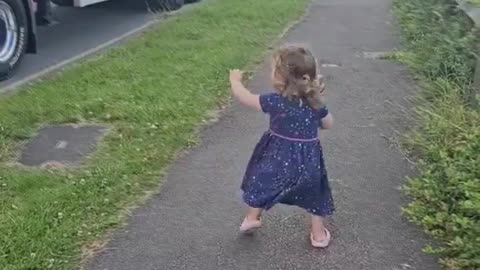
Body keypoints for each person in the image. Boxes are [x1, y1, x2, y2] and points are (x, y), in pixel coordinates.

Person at [229, 45, 335, 248]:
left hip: (276, 157)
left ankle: (252, 218)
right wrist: (319, 107)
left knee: (262, 183)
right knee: (315, 194)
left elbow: (246, 98)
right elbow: (329, 124)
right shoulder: (315, 104)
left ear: (280, 78)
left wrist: (235, 81)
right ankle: (319, 236)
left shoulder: (274, 101)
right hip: (307, 162)